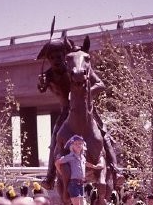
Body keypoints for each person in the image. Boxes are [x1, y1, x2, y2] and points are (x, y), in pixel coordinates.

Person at [37, 34, 123, 190]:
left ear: (64, 56)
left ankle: (116, 170)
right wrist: (42, 84)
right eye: (52, 57)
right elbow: (42, 88)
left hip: (87, 109)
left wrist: (84, 93)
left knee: (105, 135)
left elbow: (100, 84)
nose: (56, 59)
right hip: (66, 112)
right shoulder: (48, 75)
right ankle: (50, 175)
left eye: (59, 56)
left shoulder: (76, 67)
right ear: (48, 59)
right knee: (55, 138)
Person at [55, 134, 104, 205]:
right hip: (73, 184)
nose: (78, 145)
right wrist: (60, 172)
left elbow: (85, 163)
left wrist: (94, 167)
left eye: (80, 143)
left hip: (81, 184)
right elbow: (57, 162)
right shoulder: (70, 156)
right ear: (72, 146)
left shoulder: (82, 157)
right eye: (76, 144)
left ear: (83, 145)